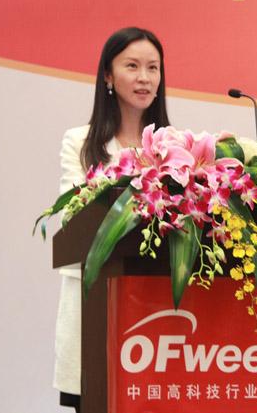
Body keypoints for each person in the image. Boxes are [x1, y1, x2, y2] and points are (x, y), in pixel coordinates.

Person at [54, 27, 170, 412]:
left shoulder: (173, 146)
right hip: (96, 304)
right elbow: (73, 212)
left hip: (159, 311)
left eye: (153, 68)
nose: (144, 78)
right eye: (132, 66)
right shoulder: (80, 142)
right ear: (108, 74)